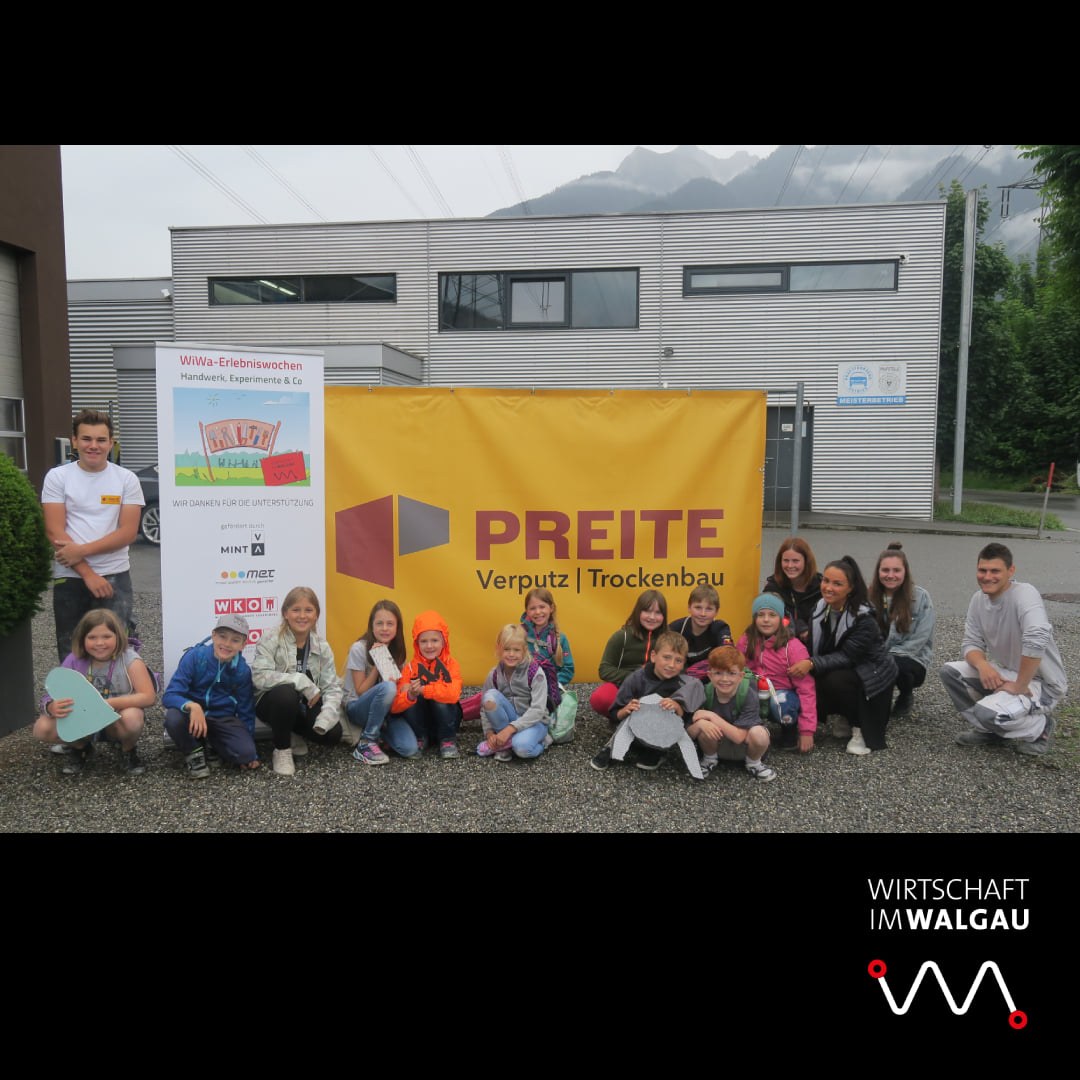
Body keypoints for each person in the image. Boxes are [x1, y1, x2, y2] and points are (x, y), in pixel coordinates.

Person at [940, 542, 1067, 756]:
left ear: (1011, 571)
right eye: (982, 570)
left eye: (995, 571)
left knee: (986, 712)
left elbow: (1037, 637)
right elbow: (970, 643)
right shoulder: (978, 600)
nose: (987, 577)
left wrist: (1019, 685)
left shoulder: (1024, 594)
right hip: (1010, 672)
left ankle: (1040, 728)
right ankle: (990, 731)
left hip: (1043, 684)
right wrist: (983, 666)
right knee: (950, 673)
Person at [41, 409, 144, 662]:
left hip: (115, 575)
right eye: (86, 439)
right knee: (72, 651)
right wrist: (88, 574)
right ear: (74, 441)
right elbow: (54, 531)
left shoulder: (126, 479)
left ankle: (113, 691)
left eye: (101, 440)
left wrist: (81, 551)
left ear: (111, 443)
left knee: (115, 651)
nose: (93, 446)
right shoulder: (57, 477)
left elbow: (128, 532)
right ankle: (77, 690)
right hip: (70, 576)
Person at [788, 555, 897, 755]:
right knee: (808, 681)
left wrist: (811, 663)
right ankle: (845, 715)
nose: (828, 587)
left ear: (851, 588)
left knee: (833, 679)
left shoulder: (864, 618)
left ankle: (860, 727)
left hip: (872, 674)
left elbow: (848, 657)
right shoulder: (820, 607)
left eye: (837, 584)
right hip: (844, 669)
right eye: (826, 581)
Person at [35, 607, 156, 775]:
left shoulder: (130, 660)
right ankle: (81, 747)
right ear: (82, 639)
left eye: (106, 636)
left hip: (117, 718)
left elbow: (149, 697)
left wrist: (106, 704)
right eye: (92, 637)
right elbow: (52, 693)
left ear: (118, 636)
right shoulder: (74, 660)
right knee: (42, 727)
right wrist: (50, 706)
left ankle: (127, 749)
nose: (99, 643)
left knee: (133, 717)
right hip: (83, 718)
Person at [252, 586, 349, 776]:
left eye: (308, 610)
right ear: (285, 613)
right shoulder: (270, 638)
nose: (302, 616)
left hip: (304, 706)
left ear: (316, 615)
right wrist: (300, 680)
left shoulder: (322, 646)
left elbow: (331, 687)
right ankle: (282, 749)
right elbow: (259, 676)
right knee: (286, 694)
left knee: (332, 734)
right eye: (296, 610)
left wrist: (326, 715)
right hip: (272, 703)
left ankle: (292, 731)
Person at [161, 613, 260, 778]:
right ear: (213, 635)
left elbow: (246, 710)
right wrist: (192, 706)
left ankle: (211, 742)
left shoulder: (242, 670)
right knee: (173, 718)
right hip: (191, 715)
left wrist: (252, 752)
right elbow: (170, 695)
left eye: (235, 640)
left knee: (246, 754)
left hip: (222, 718)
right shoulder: (194, 657)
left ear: (243, 645)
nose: (227, 644)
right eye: (222, 636)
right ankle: (193, 751)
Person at [590, 630, 704, 772]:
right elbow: (614, 713)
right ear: (653, 656)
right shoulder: (636, 678)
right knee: (637, 709)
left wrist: (677, 707)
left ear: (684, 663)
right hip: (633, 728)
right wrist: (625, 710)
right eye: (666, 657)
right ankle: (612, 748)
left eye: (678, 660)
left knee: (670, 714)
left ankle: (656, 751)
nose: (671, 665)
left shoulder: (685, 684)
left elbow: (687, 719)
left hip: (661, 734)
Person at [460, 587, 575, 722]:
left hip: (544, 691)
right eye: (533, 608)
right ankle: (453, 714)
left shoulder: (559, 639)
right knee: (487, 696)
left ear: (551, 608)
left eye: (542, 607)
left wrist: (550, 684)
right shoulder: (519, 633)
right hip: (517, 684)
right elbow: (508, 660)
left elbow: (568, 670)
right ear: (527, 611)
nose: (538, 612)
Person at [736, 593, 817, 752]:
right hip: (755, 690)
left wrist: (807, 731)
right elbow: (737, 670)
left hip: (781, 694)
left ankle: (789, 729)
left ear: (781, 618)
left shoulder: (793, 647)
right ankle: (747, 730)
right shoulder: (746, 640)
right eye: (761, 615)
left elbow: (806, 689)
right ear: (754, 618)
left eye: (772, 615)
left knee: (783, 703)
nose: (766, 620)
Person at [686, 645, 777, 782]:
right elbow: (687, 735)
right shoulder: (704, 692)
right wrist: (699, 725)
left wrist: (711, 716)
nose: (724, 679)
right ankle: (709, 759)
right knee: (703, 726)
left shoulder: (747, 694)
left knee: (759, 733)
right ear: (710, 675)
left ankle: (754, 763)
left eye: (731, 673)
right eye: (718, 673)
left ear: (741, 676)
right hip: (717, 745)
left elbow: (739, 737)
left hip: (745, 747)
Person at [868, 542, 936, 717]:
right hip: (876, 655)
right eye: (885, 570)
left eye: (896, 570)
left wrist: (887, 658)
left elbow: (920, 638)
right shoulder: (868, 597)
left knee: (895, 665)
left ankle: (905, 694)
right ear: (878, 572)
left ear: (905, 571)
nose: (890, 575)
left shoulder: (921, 597)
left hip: (910, 657)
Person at [388, 609, 463, 759]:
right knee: (412, 698)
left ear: (444, 641)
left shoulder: (451, 664)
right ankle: (420, 737)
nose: (429, 646)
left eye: (434, 640)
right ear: (416, 643)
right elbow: (395, 706)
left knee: (441, 698)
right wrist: (409, 695)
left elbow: (454, 694)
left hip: (447, 722)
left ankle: (447, 740)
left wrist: (424, 690)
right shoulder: (410, 668)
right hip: (421, 725)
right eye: (423, 641)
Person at [343, 599, 406, 766]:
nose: (384, 628)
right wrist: (379, 664)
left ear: (397, 627)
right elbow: (361, 690)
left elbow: (398, 689)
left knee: (409, 749)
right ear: (372, 626)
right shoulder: (359, 648)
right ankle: (366, 742)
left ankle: (380, 734)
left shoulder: (398, 650)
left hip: (385, 711)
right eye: (379, 623)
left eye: (390, 624)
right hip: (356, 707)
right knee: (388, 687)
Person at [476, 624, 552, 762]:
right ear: (499, 649)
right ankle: (504, 744)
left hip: (534, 722)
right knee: (489, 697)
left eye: (516, 650)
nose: (511, 654)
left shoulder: (535, 673)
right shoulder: (494, 674)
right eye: (506, 649)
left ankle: (542, 742)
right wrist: (489, 733)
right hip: (510, 721)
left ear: (524, 650)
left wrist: (509, 729)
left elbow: (538, 710)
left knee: (522, 749)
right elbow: (484, 708)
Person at [589, 589, 668, 719]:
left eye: (658, 612)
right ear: (638, 612)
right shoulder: (622, 636)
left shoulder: (667, 639)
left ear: (664, 616)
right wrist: (637, 676)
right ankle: (618, 717)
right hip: (623, 687)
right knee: (600, 698)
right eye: (647, 611)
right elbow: (604, 670)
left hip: (656, 688)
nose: (652, 617)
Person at [762, 536, 822, 643]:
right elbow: (771, 619)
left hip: (816, 646)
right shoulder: (772, 589)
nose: (790, 565)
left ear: (806, 561)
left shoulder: (821, 587)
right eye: (786, 560)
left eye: (795, 561)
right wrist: (800, 627)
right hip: (783, 645)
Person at [668, 584, 733, 680]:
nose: (703, 614)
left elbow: (729, 654)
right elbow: (665, 659)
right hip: (679, 680)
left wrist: (693, 672)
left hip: (712, 681)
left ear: (716, 611)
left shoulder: (720, 627)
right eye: (698, 607)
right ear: (689, 607)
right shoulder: (675, 628)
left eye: (709, 609)